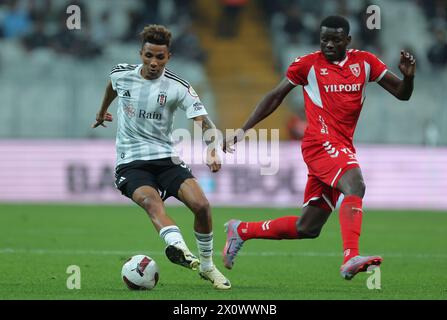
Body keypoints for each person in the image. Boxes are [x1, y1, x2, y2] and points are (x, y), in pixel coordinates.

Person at [222, 16, 415, 280]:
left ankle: (241, 229)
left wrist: (408, 78)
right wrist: (242, 130)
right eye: (324, 39)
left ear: (347, 40)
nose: (328, 45)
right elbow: (275, 96)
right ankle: (350, 257)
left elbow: (402, 94)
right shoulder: (307, 65)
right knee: (355, 184)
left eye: (335, 40)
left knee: (307, 227)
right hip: (319, 143)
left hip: (341, 146)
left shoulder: (365, 63)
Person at [92, 24, 230, 290]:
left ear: (169, 57)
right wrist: (101, 112)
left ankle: (206, 265)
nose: (153, 62)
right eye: (148, 56)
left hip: (166, 158)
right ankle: (179, 248)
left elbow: (204, 121)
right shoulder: (122, 75)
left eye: (160, 57)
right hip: (131, 161)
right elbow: (112, 86)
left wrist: (212, 148)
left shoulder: (179, 87)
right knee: (151, 203)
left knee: (201, 206)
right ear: (140, 54)